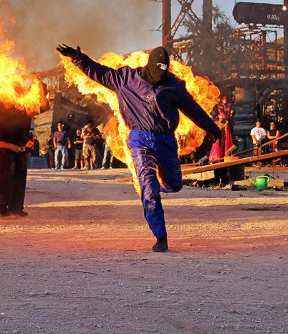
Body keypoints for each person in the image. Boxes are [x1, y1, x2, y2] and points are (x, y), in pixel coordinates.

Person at [56, 44, 221, 252]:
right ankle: (160, 236)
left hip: (165, 140)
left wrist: (212, 128)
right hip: (139, 139)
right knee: (148, 187)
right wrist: (79, 58)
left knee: (175, 184)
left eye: (163, 72)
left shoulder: (174, 85)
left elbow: (193, 109)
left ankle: (159, 185)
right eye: (157, 72)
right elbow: (98, 72)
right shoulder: (125, 79)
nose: (160, 77)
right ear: (149, 66)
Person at [0, 78, 49, 218]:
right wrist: (10, 146)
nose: (22, 89)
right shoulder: (1, 104)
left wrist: (39, 85)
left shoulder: (26, 106)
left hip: (20, 147)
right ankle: (3, 207)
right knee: (4, 177)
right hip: (2, 146)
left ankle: (16, 208)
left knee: (19, 177)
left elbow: (45, 106)